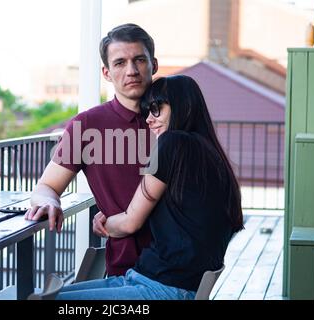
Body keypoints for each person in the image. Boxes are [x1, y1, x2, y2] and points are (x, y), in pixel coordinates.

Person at [56, 75, 244, 300]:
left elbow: (129, 223)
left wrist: (105, 223)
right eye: (147, 111)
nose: (148, 119)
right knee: (47, 297)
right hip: (154, 281)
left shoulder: (172, 143)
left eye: (156, 108)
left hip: (161, 289)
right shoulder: (213, 156)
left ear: (183, 106)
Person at [25, 24, 158, 276]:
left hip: (178, 264)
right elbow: (47, 187)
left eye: (139, 60)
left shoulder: (173, 117)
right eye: (120, 63)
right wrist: (48, 203)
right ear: (107, 73)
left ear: (154, 65)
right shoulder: (88, 125)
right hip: (127, 268)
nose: (131, 70)